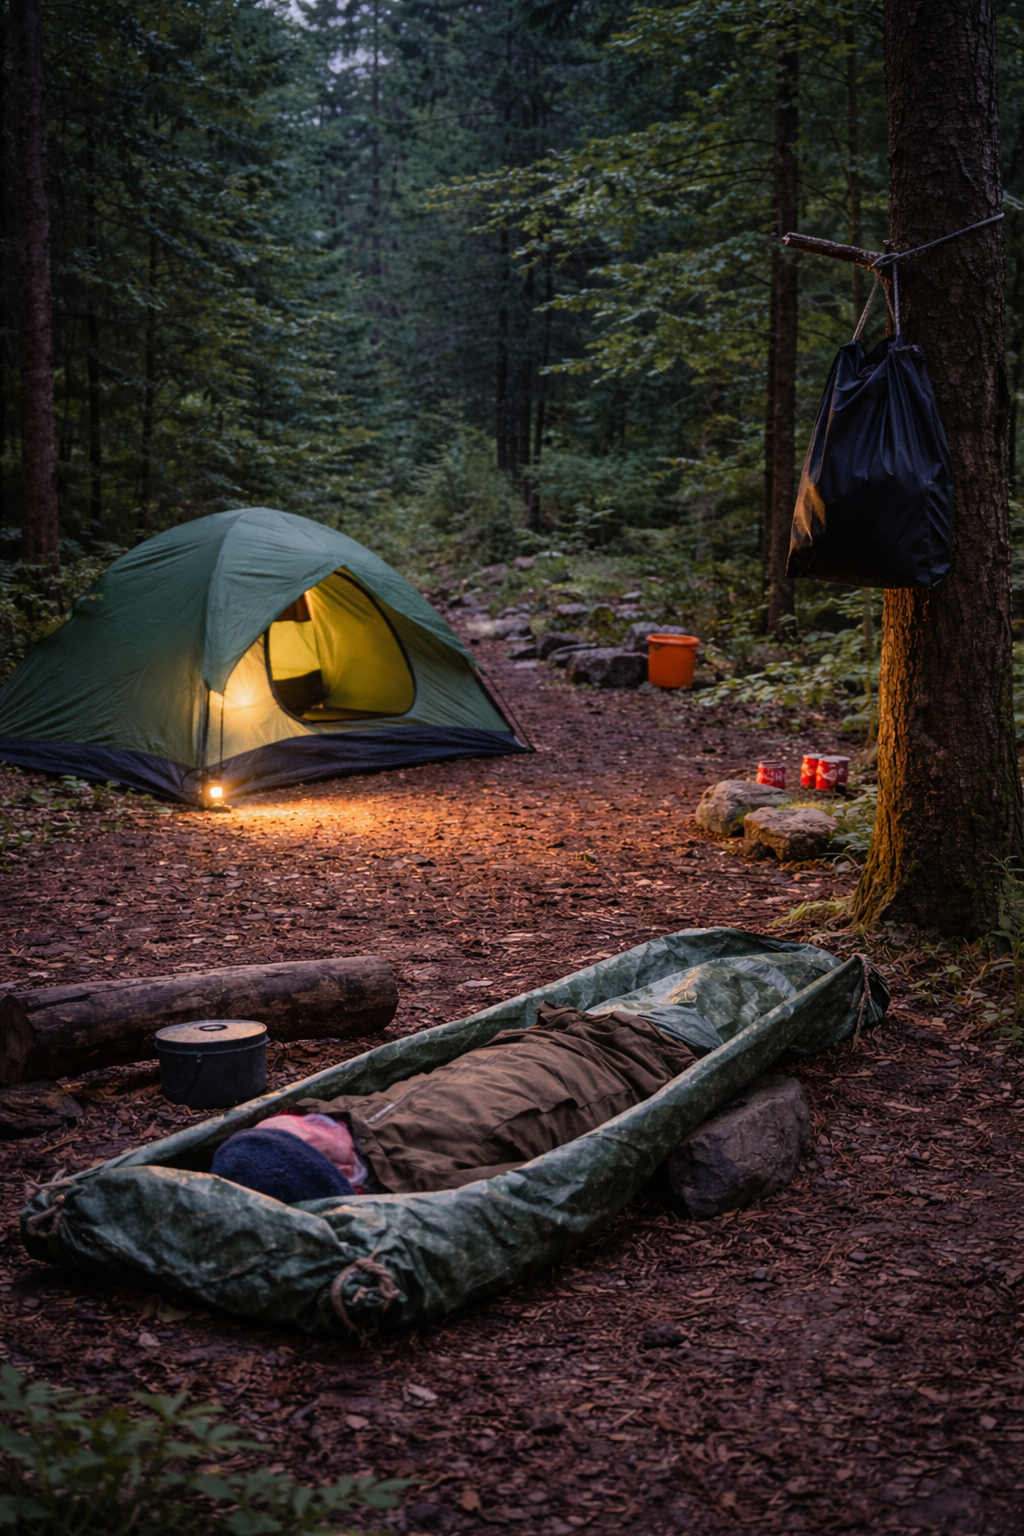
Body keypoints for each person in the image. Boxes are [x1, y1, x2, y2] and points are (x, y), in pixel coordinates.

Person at [211, 1002, 696, 1204]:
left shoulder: (346, 1115)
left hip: (552, 1034)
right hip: (635, 1057)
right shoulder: (427, 1178)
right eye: (308, 1131)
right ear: (341, 1170)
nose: (315, 1118)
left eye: (298, 1120)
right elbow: (556, 1177)